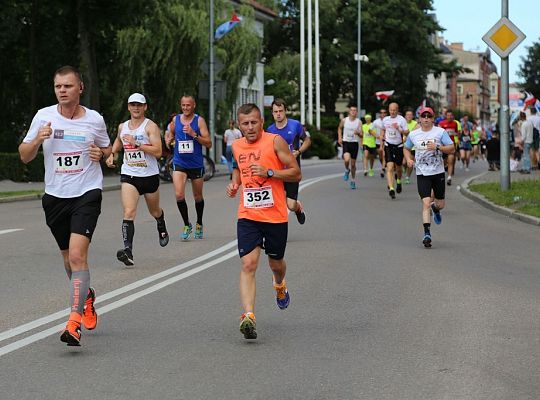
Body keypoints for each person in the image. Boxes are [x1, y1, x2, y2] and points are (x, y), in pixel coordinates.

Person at [19, 66, 111, 346]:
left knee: (76, 256)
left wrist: (101, 153)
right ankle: (87, 295)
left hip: (87, 192)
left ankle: (74, 322)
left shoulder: (94, 120)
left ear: (80, 88)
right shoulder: (43, 117)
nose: (62, 90)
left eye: (68, 86)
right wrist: (38, 139)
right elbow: (24, 156)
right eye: (58, 86)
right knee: (67, 259)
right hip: (55, 196)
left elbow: (106, 150)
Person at [226, 103, 301, 340]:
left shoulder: (274, 141)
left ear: (261, 122)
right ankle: (249, 315)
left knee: (275, 264)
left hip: (275, 215)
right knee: (248, 264)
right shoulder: (236, 146)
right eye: (245, 124)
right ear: (239, 125)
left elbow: (295, 172)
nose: (250, 128)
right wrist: (235, 182)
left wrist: (270, 172)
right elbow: (238, 168)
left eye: (254, 123)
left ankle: (279, 284)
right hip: (248, 214)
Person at [106, 93, 169, 267]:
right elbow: (118, 141)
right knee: (129, 212)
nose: (136, 108)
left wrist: (137, 144)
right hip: (129, 175)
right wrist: (113, 154)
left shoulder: (151, 127)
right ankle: (128, 250)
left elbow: (157, 152)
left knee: (154, 211)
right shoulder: (122, 126)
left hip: (149, 176)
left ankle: (160, 223)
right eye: (133, 105)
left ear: (145, 107)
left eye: (139, 105)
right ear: (128, 107)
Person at [403, 107, 455, 248]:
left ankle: (436, 209)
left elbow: (452, 148)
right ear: (419, 119)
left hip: (438, 173)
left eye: (429, 116)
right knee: (425, 203)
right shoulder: (413, 135)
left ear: (433, 119)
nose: (426, 118)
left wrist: (438, 147)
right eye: (423, 116)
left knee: (440, 204)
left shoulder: (440, 132)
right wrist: (408, 159)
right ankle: (427, 233)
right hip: (422, 173)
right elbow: (406, 148)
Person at [165, 95, 212, 240]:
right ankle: (186, 224)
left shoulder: (199, 121)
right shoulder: (176, 120)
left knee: (197, 196)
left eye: (188, 105)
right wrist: (169, 138)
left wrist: (194, 134)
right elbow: (170, 132)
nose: (185, 108)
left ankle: (199, 222)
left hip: (196, 164)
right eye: (183, 105)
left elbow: (209, 143)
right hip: (179, 162)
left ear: (194, 105)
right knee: (179, 195)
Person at [267, 98, 311, 223]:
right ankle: (278, 229)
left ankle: (298, 208)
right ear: (272, 113)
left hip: (292, 171)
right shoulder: (270, 130)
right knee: (276, 203)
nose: (278, 114)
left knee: (290, 205)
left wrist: (299, 152)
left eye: (281, 111)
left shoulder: (295, 125)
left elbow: (307, 140)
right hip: (277, 172)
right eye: (275, 112)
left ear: (286, 111)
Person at [381, 102, 409, 198]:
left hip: (399, 146)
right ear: (389, 110)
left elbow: (407, 132)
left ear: (397, 110)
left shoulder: (402, 120)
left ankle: (399, 180)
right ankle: (391, 188)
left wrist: (400, 129)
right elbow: (383, 129)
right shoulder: (385, 120)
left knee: (398, 167)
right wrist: (382, 137)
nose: (392, 112)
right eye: (391, 110)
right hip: (388, 145)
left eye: (394, 110)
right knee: (389, 167)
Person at [337, 105, 362, 189]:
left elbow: (362, 135)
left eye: (355, 111)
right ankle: (347, 170)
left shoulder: (359, 122)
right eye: (352, 110)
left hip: (354, 143)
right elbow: (339, 128)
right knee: (347, 159)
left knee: (353, 165)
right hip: (346, 142)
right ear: (349, 112)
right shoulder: (344, 120)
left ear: (357, 112)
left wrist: (358, 133)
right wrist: (340, 137)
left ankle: (353, 180)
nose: (353, 112)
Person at [437, 109, 460, 185]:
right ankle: (442, 173)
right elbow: (437, 134)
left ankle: (449, 177)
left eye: (451, 115)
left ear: (452, 116)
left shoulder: (455, 124)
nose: (449, 117)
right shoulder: (441, 123)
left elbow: (457, 133)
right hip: (443, 147)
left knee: (451, 161)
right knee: (442, 163)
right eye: (448, 115)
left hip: (451, 146)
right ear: (446, 116)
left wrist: (455, 134)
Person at [404, 109, 418, 184]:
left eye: (410, 115)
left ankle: (407, 176)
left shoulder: (416, 124)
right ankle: (403, 169)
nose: (409, 116)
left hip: (412, 147)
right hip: (402, 145)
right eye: (407, 115)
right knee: (403, 162)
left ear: (412, 116)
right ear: (405, 116)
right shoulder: (402, 123)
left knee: (410, 162)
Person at [372, 108, 387, 177]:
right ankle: (383, 165)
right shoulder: (376, 122)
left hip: (387, 141)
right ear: (379, 114)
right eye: (381, 113)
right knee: (381, 156)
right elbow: (370, 130)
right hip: (378, 141)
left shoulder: (388, 121)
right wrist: (376, 136)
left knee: (384, 155)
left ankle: (383, 168)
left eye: (384, 112)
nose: (383, 114)